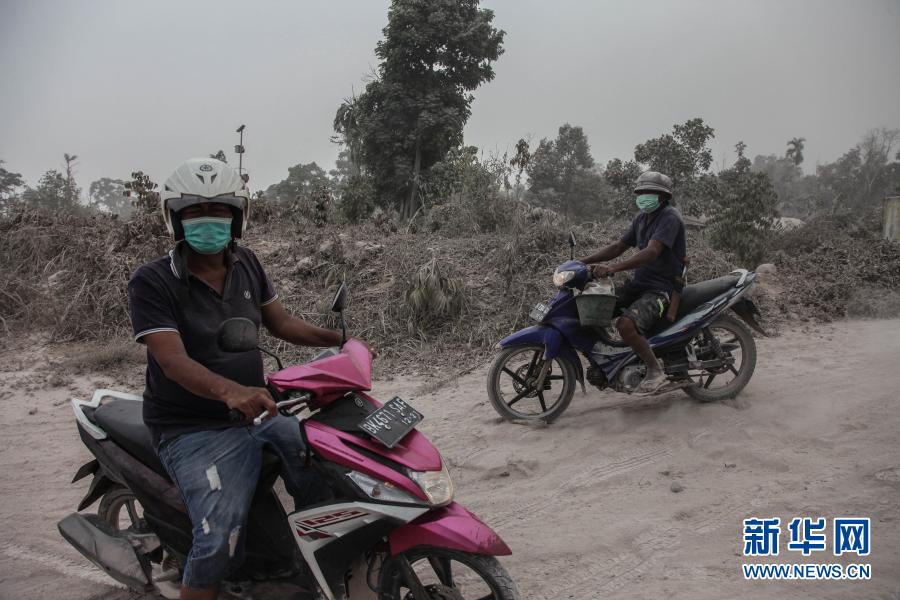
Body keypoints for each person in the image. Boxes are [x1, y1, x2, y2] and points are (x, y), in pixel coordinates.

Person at [127, 158, 361, 600]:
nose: (208, 220)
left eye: (218, 209)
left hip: (259, 411)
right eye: (195, 211)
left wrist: (344, 342)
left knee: (326, 472)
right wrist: (230, 392)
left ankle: (307, 565)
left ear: (237, 216)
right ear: (174, 217)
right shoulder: (152, 281)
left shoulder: (247, 263)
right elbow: (172, 360)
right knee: (218, 538)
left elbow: (281, 323)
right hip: (191, 428)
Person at [580, 171, 686, 395]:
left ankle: (655, 370)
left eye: (649, 192)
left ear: (662, 196)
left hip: (661, 289)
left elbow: (651, 252)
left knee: (626, 325)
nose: (643, 196)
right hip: (639, 284)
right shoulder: (641, 219)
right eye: (640, 192)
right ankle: (614, 360)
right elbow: (618, 247)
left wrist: (614, 268)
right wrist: (582, 262)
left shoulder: (670, 217)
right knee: (594, 308)